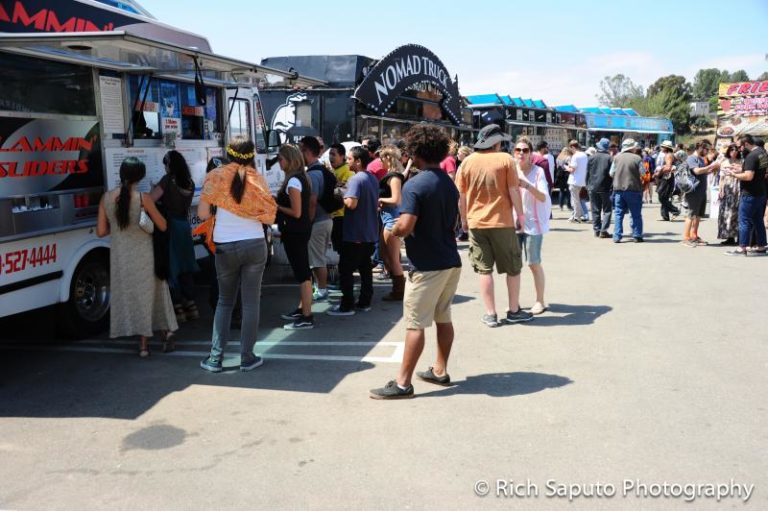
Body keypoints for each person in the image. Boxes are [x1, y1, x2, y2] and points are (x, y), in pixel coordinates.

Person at [369, 125, 462, 400]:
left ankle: (402, 384)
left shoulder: (415, 184)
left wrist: (394, 229)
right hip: (450, 260)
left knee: (414, 323)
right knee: (443, 317)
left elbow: (406, 225)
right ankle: (439, 370)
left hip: (427, 265)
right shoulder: (447, 181)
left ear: (415, 152)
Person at [197, 137, 277, 372]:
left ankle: (215, 358)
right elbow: (269, 214)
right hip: (254, 244)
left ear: (228, 153)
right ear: (251, 156)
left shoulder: (215, 176)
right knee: (251, 303)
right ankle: (247, 357)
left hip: (224, 245)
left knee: (224, 301)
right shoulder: (257, 179)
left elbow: (202, 215)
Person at [97, 157, 177, 358]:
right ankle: (149, 342)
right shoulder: (143, 198)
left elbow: (100, 231)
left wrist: (119, 230)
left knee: (133, 296)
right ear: (139, 177)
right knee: (151, 294)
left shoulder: (106, 198)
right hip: (145, 255)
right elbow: (163, 226)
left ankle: (146, 344)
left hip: (120, 257)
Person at [456, 124, 532, 327]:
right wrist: (521, 216)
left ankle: (490, 314)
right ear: (496, 142)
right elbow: (514, 190)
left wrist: (463, 220)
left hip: (476, 223)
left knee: (484, 269)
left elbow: (461, 196)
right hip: (502, 221)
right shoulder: (506, 159)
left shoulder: (466, 162)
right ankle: (514, 310)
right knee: (513, 268)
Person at [327, 146, 379, 316]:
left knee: (346, 269)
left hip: (356, 233)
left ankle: (347, 305)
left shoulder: (356, 180)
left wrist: (341, 193)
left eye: (349, 159)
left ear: (358, 161)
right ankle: (364, 302)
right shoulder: (371, 178)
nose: (347, 161)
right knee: (365, 269)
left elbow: (351, 203)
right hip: (369, 232)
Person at [150, 150, 199, 324]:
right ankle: (191, 306)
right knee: (186, 266)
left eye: (166, 164)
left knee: (173, 266)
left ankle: (178, 308)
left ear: (170, 165)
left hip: (170, 226)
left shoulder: (167, 181)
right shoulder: (190, 183)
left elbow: (151, 198)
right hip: (184, 226)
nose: (165, 167)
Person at [275, 144, 315, 330]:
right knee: (303, 272)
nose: (279, 162)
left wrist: (276, 206)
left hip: (295, 231)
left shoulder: (293, 181)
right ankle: (303, 309)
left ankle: (307, 316)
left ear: (289, 160)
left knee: (302, 274)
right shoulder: (300, 178)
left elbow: (296, 212)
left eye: (280, 159)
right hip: (299, 230)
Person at [513, 137, 552, 315]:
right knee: (514, 265)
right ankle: (515, 303)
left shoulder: (538, 172)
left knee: (533, 263)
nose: (521, 153)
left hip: (532, 224)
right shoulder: (510, 169)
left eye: (525, 150)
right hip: (513, 223)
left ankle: (540, 301)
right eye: (518, 150)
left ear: (530, 154)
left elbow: (543, 197)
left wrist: (527, 185)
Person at [299, 136, 334, 303]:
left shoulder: (312, 174)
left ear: (306, 151)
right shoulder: (322, 170)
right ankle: (321, 288)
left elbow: (312, 201)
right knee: (318, 257)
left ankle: (322, 290)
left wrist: (308, 222)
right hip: (326, 218)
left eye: (300, 150)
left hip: (318, 221)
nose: (298, 154)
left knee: (317, 259)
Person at [725, 134, 767, 255]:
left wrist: (733, 174)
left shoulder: (751, 156)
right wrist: (740, 168)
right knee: (758, 220)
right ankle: (761, 246)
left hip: (750, 193)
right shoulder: (762, 153)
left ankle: (742, 247)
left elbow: (748, 176)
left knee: (744, 220)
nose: (739, 149)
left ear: (746, 144)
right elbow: (759, 171)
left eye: (740, 147)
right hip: (760, 192)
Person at [377, 145, 406, 301]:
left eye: (381, 158)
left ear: (388, 158)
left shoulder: (394, 177)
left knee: (392, 259)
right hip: (388, 218)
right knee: (385, 255)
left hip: (392, 220)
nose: (380, 161)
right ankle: (399, 287)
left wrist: (380, 199)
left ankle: (399, 290)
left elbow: (396, 200)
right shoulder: (392, 175)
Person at [682, 141, 719, 247]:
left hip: (701, 190)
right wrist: (711, 166)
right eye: (706, 149)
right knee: (691, 214)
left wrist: (711, 170)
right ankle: (686, 237)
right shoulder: (691, 158)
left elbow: (702, 172)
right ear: (699, 147)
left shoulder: (701, 159)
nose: (707, 152)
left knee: (698, 215)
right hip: (693, 191)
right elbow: (697, 171)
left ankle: (694, 235)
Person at [611, 139, 644, 243]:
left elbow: (611, 173)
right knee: (636, 214)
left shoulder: (616, 158)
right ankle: (637, 235)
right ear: (632, 148)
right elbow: (643, 173)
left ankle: (617, 236)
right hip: (633, 189)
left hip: (618, 190)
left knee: (618, 214)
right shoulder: (637, 158)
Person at [328, 143, 354, 256]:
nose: (330, 157)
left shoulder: (348, 171)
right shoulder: (334, 171)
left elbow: (346, 192)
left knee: (342, 250)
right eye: (330, 154)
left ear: (343, 156)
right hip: (334, 216)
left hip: (342, 216)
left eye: (334, 154)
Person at [586, 138, 613, 238]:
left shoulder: (591, 158)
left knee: (595, 209)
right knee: (607, 210)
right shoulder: (609, 158)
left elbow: (587, 173)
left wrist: (587, 185)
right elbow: (612, 174)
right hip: (606, 187)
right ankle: (603, 230)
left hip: (592, 187)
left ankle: (596, 230)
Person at [717, 144, 743, 245]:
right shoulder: (724, 162)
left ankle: (740, 237)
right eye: (732, 150)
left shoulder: (741, 162)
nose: (734, 151)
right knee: (727, 212)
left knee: (737, 213)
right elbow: (721, 178)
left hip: (738, 187)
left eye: (736, 150)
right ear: (728, 151)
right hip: (727, 188)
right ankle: (729, 237)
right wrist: (720, 190)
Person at [653, 140, 680, 221]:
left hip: (666, 178)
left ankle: (675, 210)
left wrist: (659, 172)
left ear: (666, 147)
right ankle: (665, 215)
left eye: (662, 146)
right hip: (668, 177)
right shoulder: (670, 154)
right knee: (664, 196)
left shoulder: (668, 155)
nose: (661, 148)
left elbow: (668, 167)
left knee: (662, 196)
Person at [565, 140, 588, 222]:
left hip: (574, 180)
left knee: (574, 200)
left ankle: (576, 216)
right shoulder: (584, 155)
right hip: (581, 180)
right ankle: (576, 215)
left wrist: (566, 167)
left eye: (570, 148)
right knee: (577, 200)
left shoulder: (575, 156)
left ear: (573, 147)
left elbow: (572, 169)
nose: (570, 150)